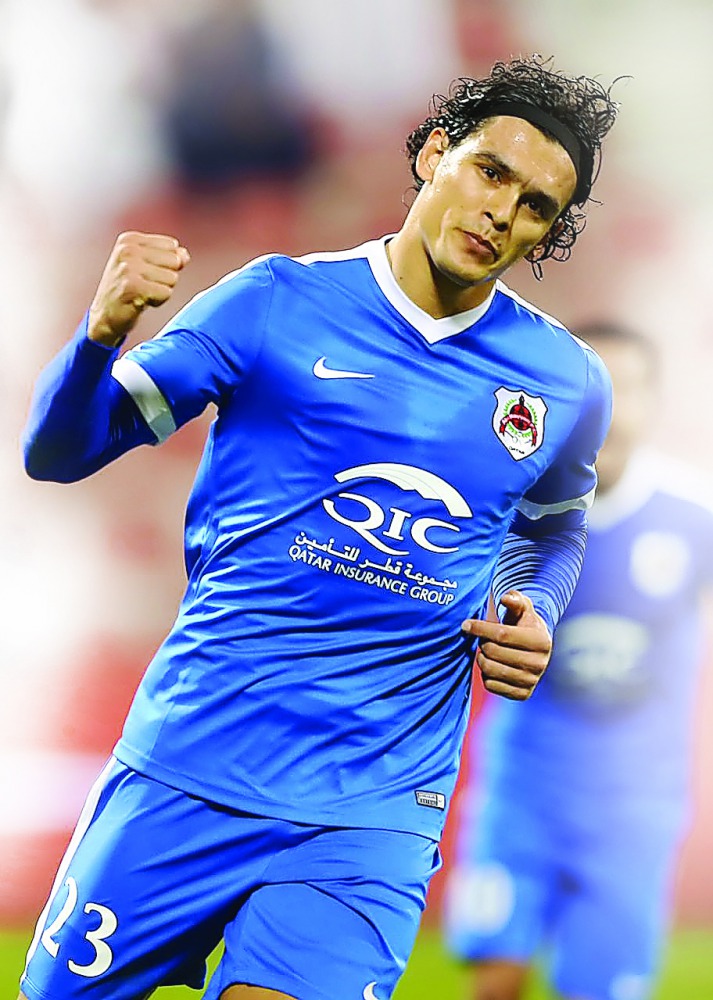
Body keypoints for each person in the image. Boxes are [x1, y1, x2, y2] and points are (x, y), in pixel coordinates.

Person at [18, 56, 618, 1000]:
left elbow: (552, 527)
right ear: (431, 156)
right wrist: (100, 337)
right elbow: (60, 452)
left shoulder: (563, 380)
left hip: (373, 806)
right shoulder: (273, 303)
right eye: (490, 172)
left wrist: (532, 605)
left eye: (536, 205)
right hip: (193, 760)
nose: (503, 211)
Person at [443, 322, 713, 1000]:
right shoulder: (511, 512)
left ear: (655, 400)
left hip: (633, 807)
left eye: (630, 388)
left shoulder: (693, 515)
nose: (614, 408)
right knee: (494, 980)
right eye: (600, 388)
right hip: (521, 790)